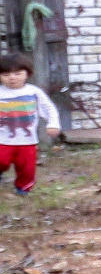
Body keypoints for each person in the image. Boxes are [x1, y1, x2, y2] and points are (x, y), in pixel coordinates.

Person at [0, 53, 60, 196]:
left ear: (27, 74)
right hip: (2, 139)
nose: (12, 77)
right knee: (1, 161)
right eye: (6, 74)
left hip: (27, 140)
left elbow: (49, 108)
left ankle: (23, 188)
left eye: (17, 73)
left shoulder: (34, 92)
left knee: (26, 167)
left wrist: (53, 124)